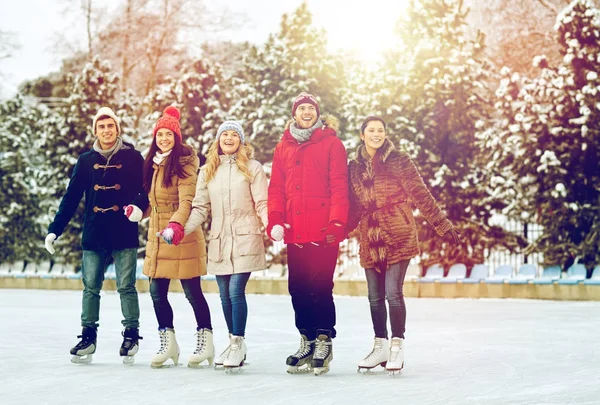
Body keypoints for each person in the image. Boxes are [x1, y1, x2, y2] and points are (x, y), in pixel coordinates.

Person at [346, 116, 461, 375]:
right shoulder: (354, 166)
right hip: (370, 236)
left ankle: (397, 344)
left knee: (392, 293)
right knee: (374, 297)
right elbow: (354, 207)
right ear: (362, 135)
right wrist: (337, 232)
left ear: (386, 134)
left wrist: (442, 225)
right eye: (371, 130)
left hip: (398, 231)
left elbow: (420, 194)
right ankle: (380, 346)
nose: (376, 134)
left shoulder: (399, 160)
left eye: (381, 130)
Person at [45, 106, 148, 365]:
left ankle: (131, 335)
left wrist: (137, 206)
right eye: (101, 126)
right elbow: (71, 198)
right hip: (94, 231)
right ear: (95, 130)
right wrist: (55, 230)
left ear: (117, 128)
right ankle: (88, 337)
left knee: (126, 286)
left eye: (110, 125)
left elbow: (145, 189)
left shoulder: (134, 157)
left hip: (123, 230)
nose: (106, 130)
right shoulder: (86, 160)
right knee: (91, 287)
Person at [124, 106, 213, 369]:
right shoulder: (152, 163)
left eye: (169, 134)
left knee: (192, 292)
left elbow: (187, 202)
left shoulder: (185, 164)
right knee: (156, 292)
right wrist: (139, 210)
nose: (164, 139)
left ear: (177, 137)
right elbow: (153, 200)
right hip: (157, 234)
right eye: (160, 134)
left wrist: (176, 225)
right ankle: (168, 342)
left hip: (181, 234)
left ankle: (205, 340)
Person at [267, 92, 349, 375]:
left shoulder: (332, 144)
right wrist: (275, 218)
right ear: (294, 114)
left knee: (320, 286)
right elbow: (276, 187)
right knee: (298, 288)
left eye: (310, 108)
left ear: (317, 113)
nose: (306, 112)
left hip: (323, 230)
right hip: (295, 230)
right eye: (301, 108)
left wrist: (337, 223)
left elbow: (340, 186)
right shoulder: (283, 147)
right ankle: (307, 338)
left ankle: (324, 339)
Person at [185, 120, 268, 372]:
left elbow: (262, 202)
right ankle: (233, 343)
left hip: (245, 238)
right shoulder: (208, 170)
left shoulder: (253, 168)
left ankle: (238, 342)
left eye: (234, 135)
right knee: (223, 295)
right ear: (218, 141)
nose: (229, 138)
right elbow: (200, 207)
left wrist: (270, 224)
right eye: (225, 135)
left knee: (235, 290)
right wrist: (182, 229)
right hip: (220, 240)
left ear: (241, 141)